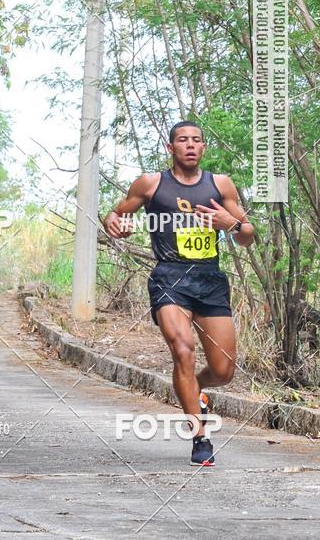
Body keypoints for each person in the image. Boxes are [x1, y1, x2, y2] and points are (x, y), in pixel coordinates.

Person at [103, 121, 255, 467]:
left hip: (210, 279)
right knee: (182, 349)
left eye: (196, 140)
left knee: (223, 370)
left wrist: (229, 225)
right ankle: (200, 437)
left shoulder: (220, 185)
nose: (190, 145)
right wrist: (114, 223)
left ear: (203, 148)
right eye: (182, 140)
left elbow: (247, 234)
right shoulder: (151, 184)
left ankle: (194, 389)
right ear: (171, 148)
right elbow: (116, 213)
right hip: (169, 277)